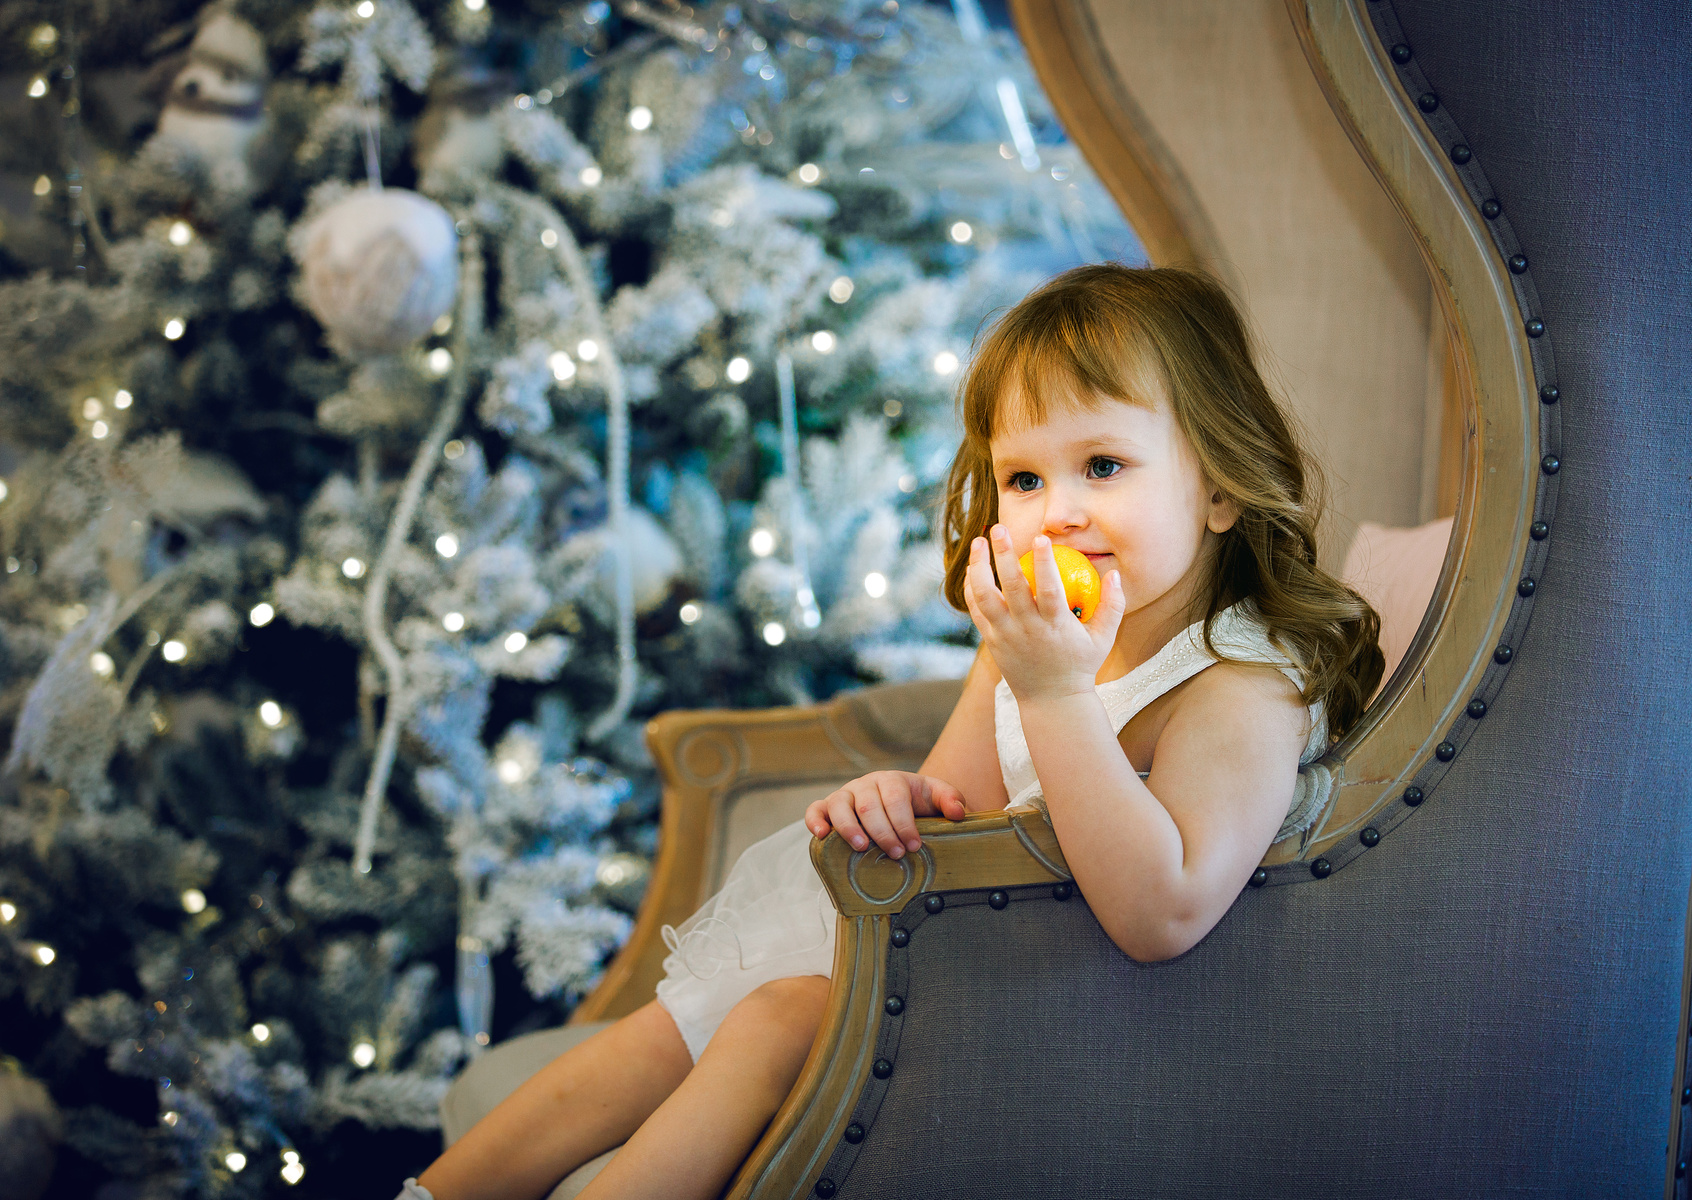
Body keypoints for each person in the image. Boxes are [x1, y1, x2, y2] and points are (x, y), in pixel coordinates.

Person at [400, 264, 1383, 1200]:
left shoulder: (1239, 685)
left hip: (1083, 1012)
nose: (1057, 514)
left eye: (1102, 466)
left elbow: (1163, 914)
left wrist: (1055, 697)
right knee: (675, 1026)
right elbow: (959, 809)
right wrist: (899, 801)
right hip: (966, 943)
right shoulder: (1031, 641)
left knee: (778, 1018)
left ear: (1218, 486)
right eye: (1023, 479)